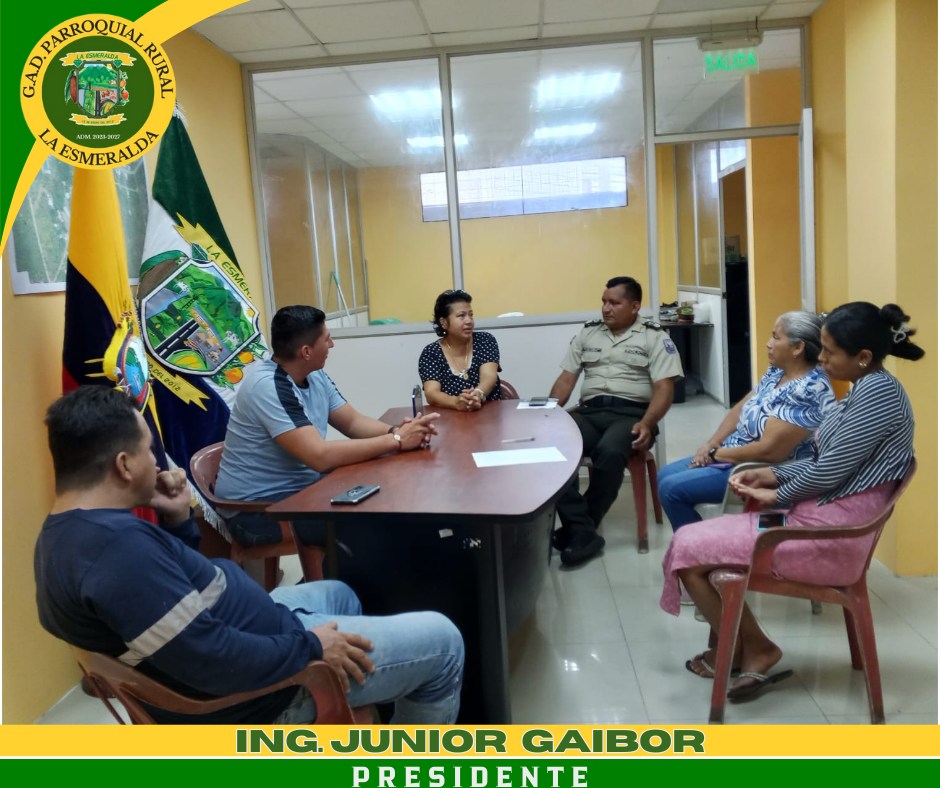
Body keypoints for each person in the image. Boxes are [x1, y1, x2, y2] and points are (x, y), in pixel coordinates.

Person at [34, 386, 464, 724]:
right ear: (124, 465)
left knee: (339, 593)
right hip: (261, 694)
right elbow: (209, 659)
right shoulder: (117, 553)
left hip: (249, 635)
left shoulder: (66, 532)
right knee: (445, 643)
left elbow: (170, 595)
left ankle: (371, 696)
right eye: (148, 450)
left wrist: (178, 520)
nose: (157, 461)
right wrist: (311, 646)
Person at [661, 302, 923, 702]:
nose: (823, 358)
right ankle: (749, 646)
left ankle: (755, 648)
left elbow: (827, 473)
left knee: (689, 549)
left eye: (829, 351)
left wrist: (776, 493)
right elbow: (823, 461)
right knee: (695, 541)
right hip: (813, 517)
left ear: (863, 357)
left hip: (824, 535)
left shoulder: (877, 397)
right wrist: (773, 475)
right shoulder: (867, 387)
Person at [215, 305, 440, 546]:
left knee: (390, 499)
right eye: (327, 339)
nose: (332, 344)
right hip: (256, 510)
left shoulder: (313, 374)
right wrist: (396, 441)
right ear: (306, 351)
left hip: (300, 487)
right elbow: (319, 457)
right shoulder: (267, 386)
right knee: (372, 525)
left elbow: (352, 422)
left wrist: (396, 431)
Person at [548, 276, 684, 567]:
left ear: (634, 306)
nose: (606, 308)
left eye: (614, 303)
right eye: (604, 302)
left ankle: (579, 528)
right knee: (554, 449)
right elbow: (566, 379)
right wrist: (547, 413)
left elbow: (664, 388)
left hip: (632, 415)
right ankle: (584, 531)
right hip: (588, 412)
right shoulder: (588, 333)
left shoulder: (654, 337)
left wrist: (648, 422)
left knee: (609, 451)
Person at [657, 311, 834, 532]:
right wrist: (711, 443)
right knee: (664, 475)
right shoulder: (778, 372)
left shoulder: (808, 390)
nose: (768, 344)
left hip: (761, 469)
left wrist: (715, 454)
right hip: (733, 455)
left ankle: (700, 548)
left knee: (671, 489)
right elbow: (740, 408)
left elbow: (770, 452)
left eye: (776, 338)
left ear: (798, 348)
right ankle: (699, 541)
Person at [418, 289, 501, 412]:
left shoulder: (485, 340)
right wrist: (456, 402)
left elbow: (489, 376)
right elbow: (432, 393)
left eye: (471, 315)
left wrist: (478, 393)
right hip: (451, 418)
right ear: (444, 322)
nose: (469, 321)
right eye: (461, 316)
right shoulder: (431, 353)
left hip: (489, 415)